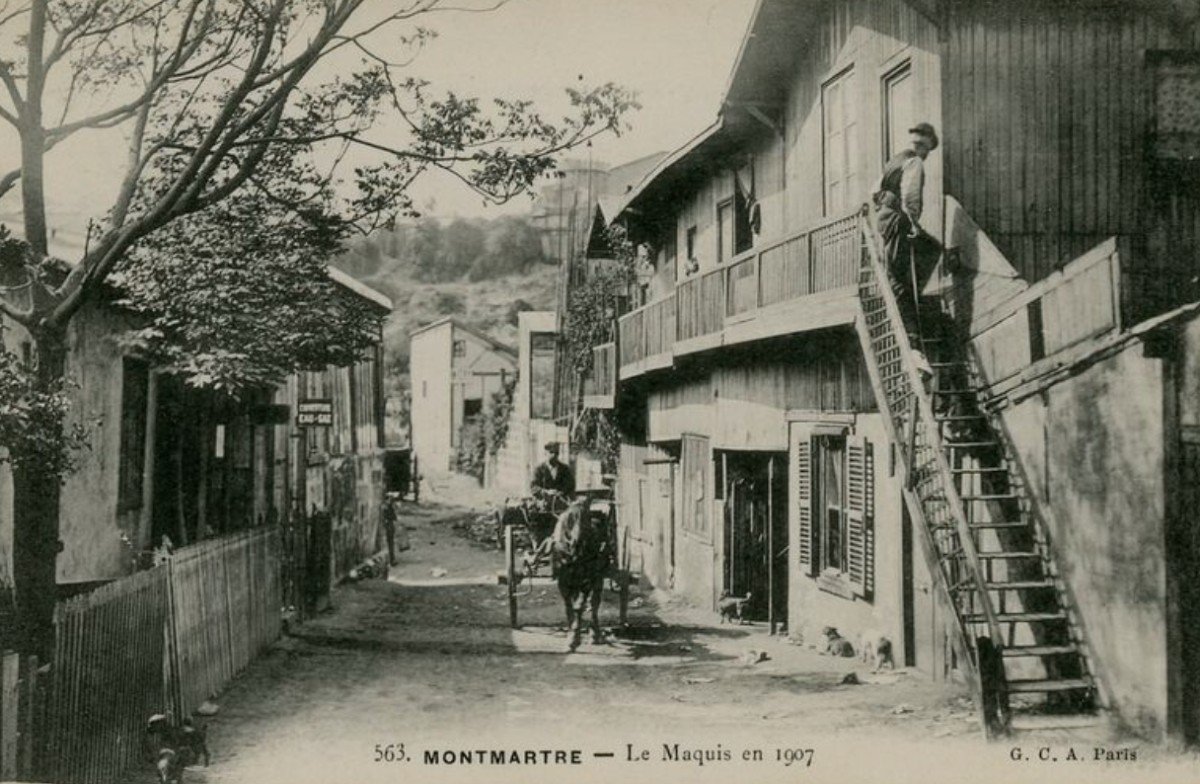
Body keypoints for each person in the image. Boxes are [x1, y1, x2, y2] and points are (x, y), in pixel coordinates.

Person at [874, 122, 942, 334]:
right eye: (928, 150)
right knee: (900, 273)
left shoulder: (895, 161)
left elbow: (875, 191)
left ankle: (911, 301)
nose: (927, 155)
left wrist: (883, 207)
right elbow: (911, 196)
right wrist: (913, 223)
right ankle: (908, 330)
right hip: (898, 220)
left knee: (929, 249)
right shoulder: (914, 162)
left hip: (885, 218)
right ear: (925, 146)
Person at [382, 492, 399, 566]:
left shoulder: (386, 506)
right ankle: (391, 560)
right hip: (388, 526)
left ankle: (391, 559)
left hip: (388, 526)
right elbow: (394, 517)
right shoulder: (387, 507)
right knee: (390, 543)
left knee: (390, 543)